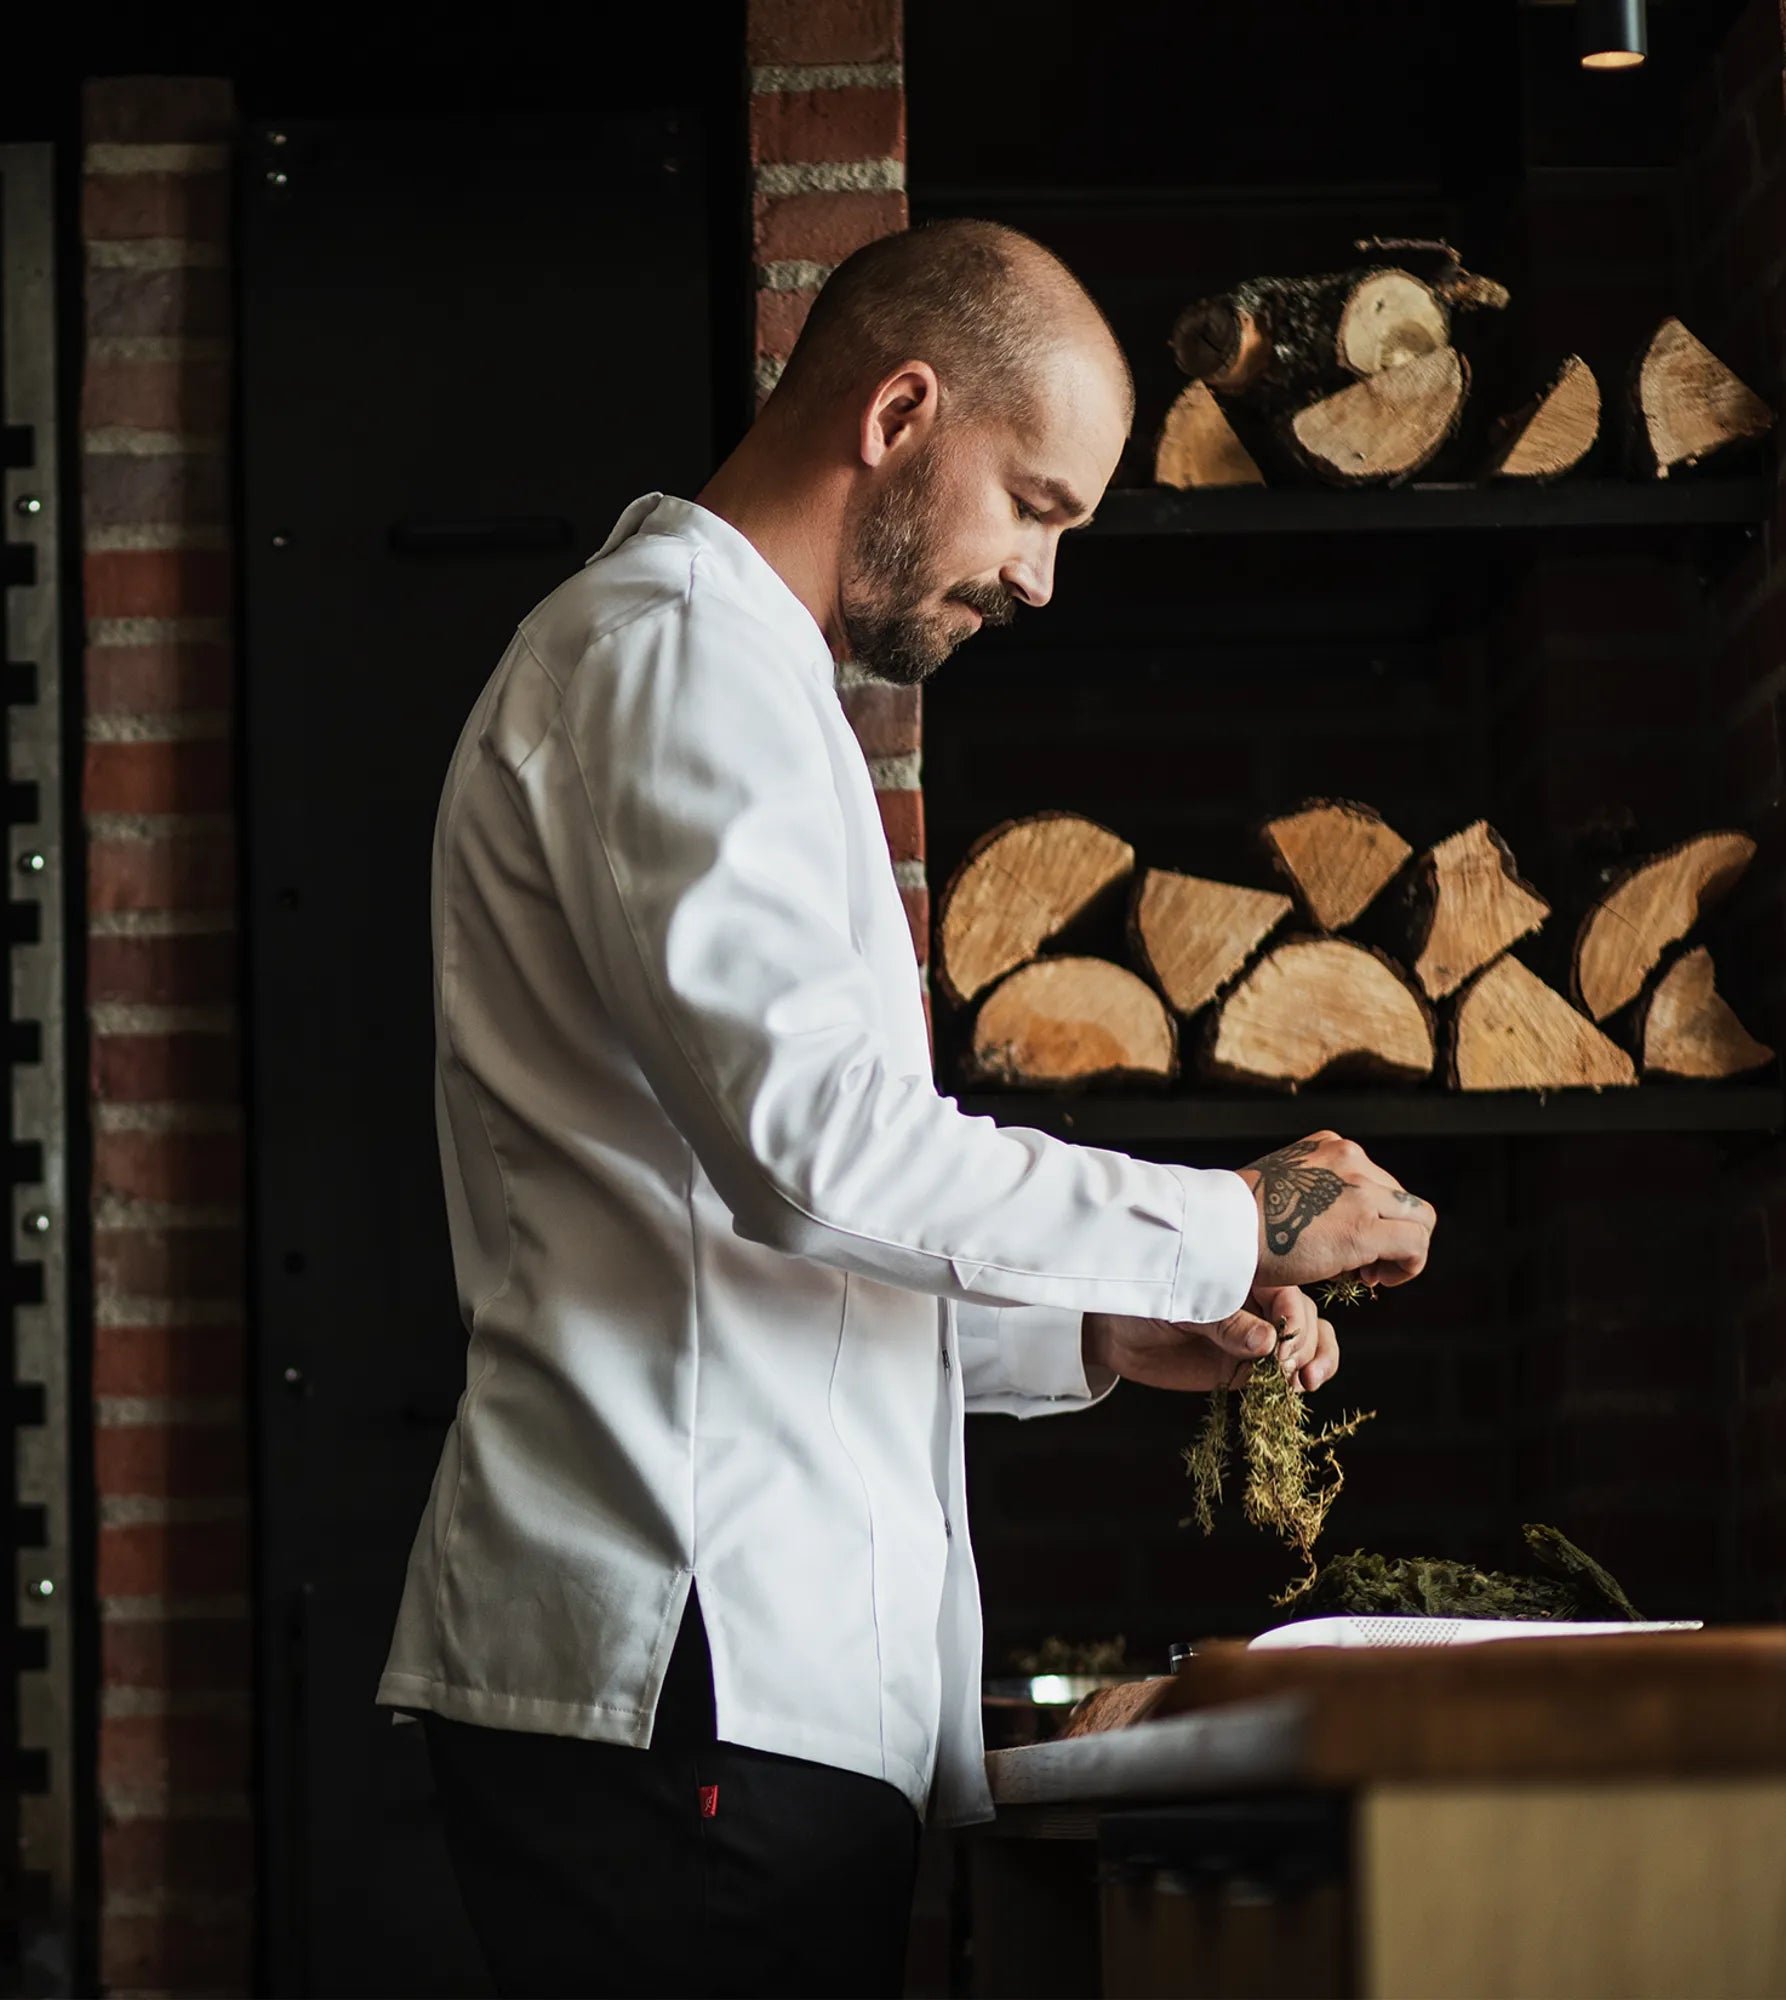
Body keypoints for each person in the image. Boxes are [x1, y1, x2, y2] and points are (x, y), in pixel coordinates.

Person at [374, 219, 1435, 1998]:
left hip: (738, 1693)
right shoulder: (674, 659)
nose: (1040, 579)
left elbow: (742, 1240)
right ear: (900, 413)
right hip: (687, 1676)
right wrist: (1228, 1221)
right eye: (1033, 504)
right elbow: (818, 1156)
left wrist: (1088, 1324)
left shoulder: (745, 678)